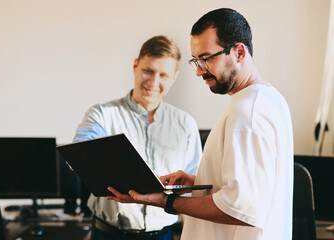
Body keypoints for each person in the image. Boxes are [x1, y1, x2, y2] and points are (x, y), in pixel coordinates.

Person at [107, 8, 294, 240]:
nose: (198, 71)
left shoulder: (247, 113)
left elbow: (241, 209)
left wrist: (166, 201)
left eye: (206, 59)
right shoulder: (269, 100)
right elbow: (253, 191)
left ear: (239, 52)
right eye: (196, 60)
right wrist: (200, 183)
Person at [73, 35, 203, 240]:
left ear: (174, 77)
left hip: (164, 236)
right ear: (135, 65)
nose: (154, 82)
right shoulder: (101, 115)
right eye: (148, 71)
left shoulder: (186, 124)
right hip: (109, 234)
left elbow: (192, 192)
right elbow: (80, 158)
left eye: (163, 75)